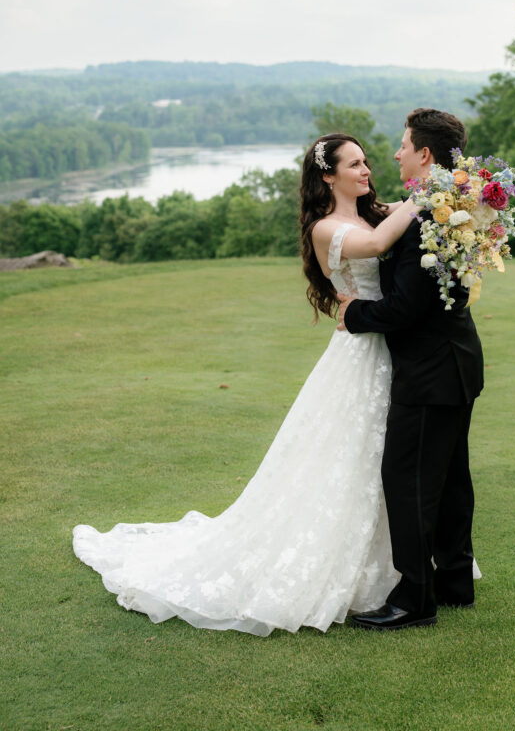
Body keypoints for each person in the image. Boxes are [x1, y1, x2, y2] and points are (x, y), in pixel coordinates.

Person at [72, 133, 418, 636]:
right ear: (328, 176)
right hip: (359, 354)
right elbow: (380, 244)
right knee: (349, 456)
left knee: (383, 457)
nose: (367, 171)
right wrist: (427, 195)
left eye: (367, 162)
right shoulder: (329, 228)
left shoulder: (373, 211)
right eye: (356, 164)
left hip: (386, 345)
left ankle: (399, 566)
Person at [338, 108, 484, 631]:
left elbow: (405, 308)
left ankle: (414, 600)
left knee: (408, 482)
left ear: (424, 154)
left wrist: (352, 313)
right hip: (457, 362)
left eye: (403, 145)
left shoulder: (428, 217)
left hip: (429, 371)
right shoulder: (451, 207)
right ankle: (453, 584)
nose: (395, 154)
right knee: (450, 481)